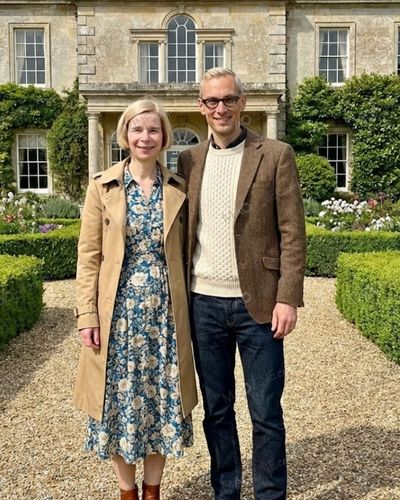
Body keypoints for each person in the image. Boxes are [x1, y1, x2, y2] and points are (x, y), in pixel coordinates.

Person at [177, 68, 306, 500]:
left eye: (228, 99)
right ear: (201, 106)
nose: (220, 108)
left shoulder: (275, 154)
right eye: (211, 101)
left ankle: (270, 494)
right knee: (217, 410)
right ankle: (226, 491)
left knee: (265, 410)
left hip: (261, 306)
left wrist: (287, 297)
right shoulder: (189, 160)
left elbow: (292, 233)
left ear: (242, 102)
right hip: (204, 305)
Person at [73, 98, 197, 500]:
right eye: (138, 129)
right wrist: (86, 316)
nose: (146, 137)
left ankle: (153, 491)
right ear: (124, 135)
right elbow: (88, 256)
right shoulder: (102, 186)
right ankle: (127, 492)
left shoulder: (177, 187)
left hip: (165, 314)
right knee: (117, 400)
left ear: (164, 137)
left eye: (154, 130)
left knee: (162, 401)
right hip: (117, 314)